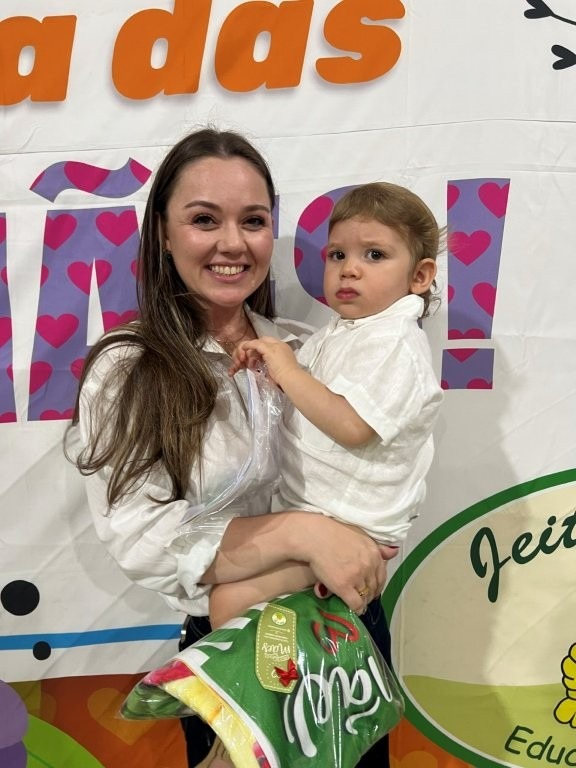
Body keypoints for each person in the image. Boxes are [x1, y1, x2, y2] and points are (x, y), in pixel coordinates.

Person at [66, 129, 397, 768]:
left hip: (344, 632)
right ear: (163, 235)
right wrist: (300, 533)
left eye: (253, 220)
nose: (232, 243)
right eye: (203, 220)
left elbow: (376, 463)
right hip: (233, 644)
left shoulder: (311, 352)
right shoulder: (128, 369)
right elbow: (143, 537)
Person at [212, 181, 444, 628]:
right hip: (311, 515)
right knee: (228, 589)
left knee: (228, 602)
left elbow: (353, 426)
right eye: (337, 255)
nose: (349, 270)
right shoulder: (341, 333)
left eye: (374, 255)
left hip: (350, 527)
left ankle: (259, 675)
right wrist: (273, 371)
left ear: (419, 276)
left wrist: (289, 372)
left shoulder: (395, 343)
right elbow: (314, 404)